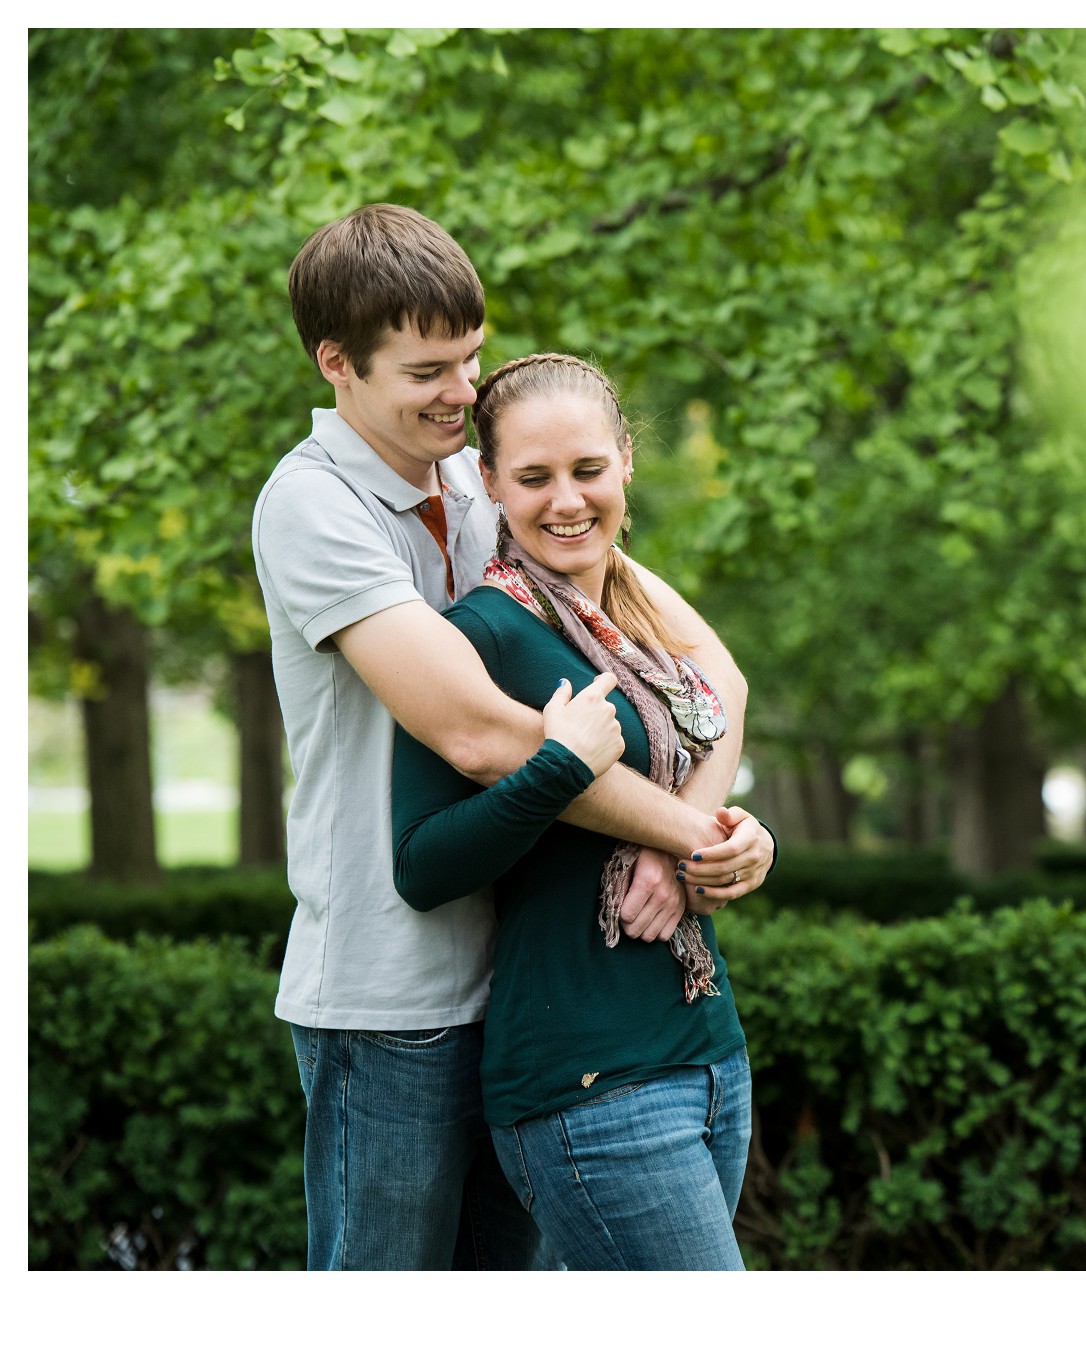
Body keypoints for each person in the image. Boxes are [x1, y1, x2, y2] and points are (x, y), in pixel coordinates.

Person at [250, 204, 775, 1269]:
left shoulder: (482, 477)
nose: (464, 392)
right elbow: (483, 734)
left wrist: (697, 842)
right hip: (386, 995)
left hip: (522, 992)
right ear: (337, 363)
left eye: (473, 359)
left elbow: (710, 673)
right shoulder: (313, 507)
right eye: (429, 370)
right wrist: (680, 833)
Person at [389, 352, 754, 1270]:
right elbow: (422, 865)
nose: (566, 500)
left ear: (626, 461)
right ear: (489, 481)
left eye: (588, 470)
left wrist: (719, 844)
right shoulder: (481, 630)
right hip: (587, 1083)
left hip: (707, 1052)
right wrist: (555, 770)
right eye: (535, 477)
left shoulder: (627, 615)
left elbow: (719, 702)